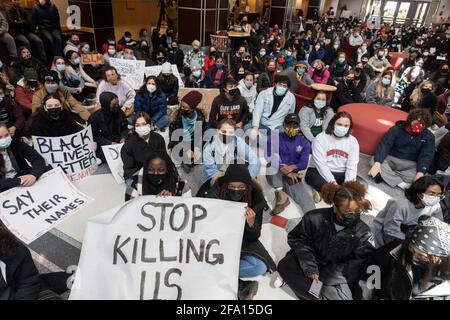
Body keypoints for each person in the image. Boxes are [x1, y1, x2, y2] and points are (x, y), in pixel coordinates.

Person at [277, 181, 375, 300]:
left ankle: (311, 290)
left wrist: (326, 275)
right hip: (312, 259)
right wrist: (310, 267)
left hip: (336, 271)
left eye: (357, 211)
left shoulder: (364, 233)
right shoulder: (314, 217)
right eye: (348, 212)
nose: (353, 216)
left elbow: (358, 263)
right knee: (284, 265)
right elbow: (297, 238)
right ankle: (314, 292)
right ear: (334, 208)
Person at [197, 164, 277, 300]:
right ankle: (241, 285)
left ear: (247, 187)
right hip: (217, 242)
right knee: (199, 263)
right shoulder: (212, 196)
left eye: (240, 188)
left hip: (242, 243)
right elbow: (201, 226)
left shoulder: (256, 198)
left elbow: (254, 237)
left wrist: (251, 224)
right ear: (225, 185)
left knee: (260, 267)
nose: (236, 190)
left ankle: (217, 272)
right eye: (232, 187)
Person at [368, 109, 435, 190]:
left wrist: (420, 173)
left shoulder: (429, 136)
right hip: (392, 158)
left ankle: (385, 175)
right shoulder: (396, 129)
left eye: (423, 123)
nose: (419, 125)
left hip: (410, 164)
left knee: (422, 175)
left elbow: (426, 155)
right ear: (410, 119)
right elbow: (385, 145)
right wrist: (378, 163)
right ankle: (402, 184)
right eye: (417, 121)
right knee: (374, 160)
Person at [266, 113, 315, 215]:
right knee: (271, 167)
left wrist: (292, 168)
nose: (292, 128)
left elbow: (304, 163)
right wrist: (284, 169)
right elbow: (269, 156)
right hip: (276, 171)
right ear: (283, 125)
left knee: (306, 200)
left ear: (299, 127)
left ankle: (312, 218)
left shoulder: (304, 142)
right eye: (289, 125)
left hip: (293, 174)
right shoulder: (275, 138)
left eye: (295, 126)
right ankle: (281, 196)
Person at [374, 176, 444, 248]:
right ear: (419, 193)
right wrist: (411, 243)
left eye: (439, 194)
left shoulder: (435, 206)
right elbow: (390, 230)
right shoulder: (400, 205)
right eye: (432, 194)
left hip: (411, 231)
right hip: (388, 231)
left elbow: (438, 225)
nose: (436, 198)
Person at [305, 112, 360, 203]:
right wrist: (333, 183)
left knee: (362, 185)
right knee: (314, 179)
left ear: (350, 127)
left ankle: (325, 193)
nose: (343, 128)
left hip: (341, 173)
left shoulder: (353, 141)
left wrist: (348, 185)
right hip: (318, 172)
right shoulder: (320, 138)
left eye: (346, 126)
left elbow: (352, 166)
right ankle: (339, 195)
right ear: (332, 123)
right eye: (339, 124)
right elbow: (321, 164)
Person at [202, 118, 260, 186]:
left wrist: (247, 177)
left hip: (232, 173)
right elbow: (211, 170)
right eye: (224, 132)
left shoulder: (238, 141)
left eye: (230, 132)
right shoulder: (209, 146)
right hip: (214, 176)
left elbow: (255, 160)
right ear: (218, 131)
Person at [0, 122, 47, 192]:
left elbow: (37, 158)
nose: (4, 139)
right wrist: (19, 181)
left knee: (46, 169)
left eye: (6, 135)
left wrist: (33, 175)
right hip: (4, 183)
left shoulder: (15, 142)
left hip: (21, 174)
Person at [168, 91, 207, 174]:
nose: (182, 109)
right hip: (180, 143)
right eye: (181, 106)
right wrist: (186, 149)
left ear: (193, 108)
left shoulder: (200, 118)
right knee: (177, 159)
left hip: (193, 142)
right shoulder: (175, 119)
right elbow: (173, 139)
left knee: (202, 156)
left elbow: (200, 136)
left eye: (185, 108)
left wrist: (196, 149)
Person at [251, 75, 296, 148]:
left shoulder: (291, 98)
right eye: (280, 85)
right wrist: (255, 128)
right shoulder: (264, 93)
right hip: (263, 124)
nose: (282, 87)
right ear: (275, 84)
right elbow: (257, 111)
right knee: (248, 129)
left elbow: (290, 115)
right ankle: (273, 144)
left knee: (284, 133)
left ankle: (269, 143)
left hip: (278, 126)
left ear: (288, 88)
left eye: (284, 86)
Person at [121, 112, 166, 180]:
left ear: (150, 125)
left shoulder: (158, 138)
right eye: (137, 125)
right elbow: (130, 168)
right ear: (135, 128)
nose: (141, 127)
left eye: (144, 124)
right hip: (136, 175)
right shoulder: (129, 145)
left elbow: (164, 158)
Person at [89, 92, 128, 163]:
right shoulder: (94, 118)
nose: (117, 106)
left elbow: (125, 128)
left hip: (119, 140)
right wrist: (109, 143)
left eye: (117, 103)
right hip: (104, 143)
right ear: (106, 105)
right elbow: (94, 136)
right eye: (114, 105)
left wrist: (123, 137)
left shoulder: (120, 112)